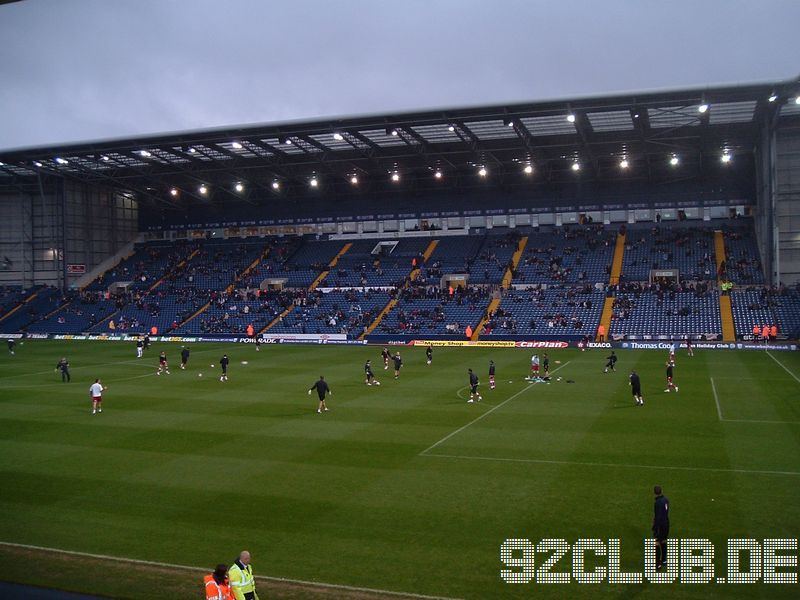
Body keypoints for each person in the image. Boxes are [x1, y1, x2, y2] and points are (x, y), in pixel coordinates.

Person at [652, 485, 670, 571]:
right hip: (666, 523)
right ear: (662, 491)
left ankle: (657, 564)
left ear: (654, 493)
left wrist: (655, 527)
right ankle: (664, 560)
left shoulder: (657, 503)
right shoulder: (666, 499)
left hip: (660, 525)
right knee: (664, 540)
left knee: (657, 543)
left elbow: (658, 517)